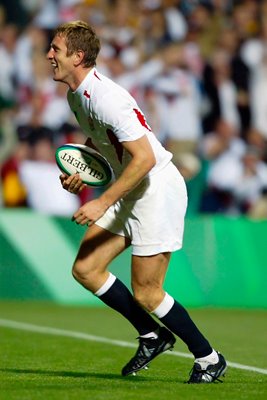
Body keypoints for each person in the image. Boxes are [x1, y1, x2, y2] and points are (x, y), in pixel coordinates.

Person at [46, 20, 227, 383]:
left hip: (155, 189)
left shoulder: (105, 97)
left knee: (147, 291)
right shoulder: (76, 95)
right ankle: (152, 335)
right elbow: (101, 137)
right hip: (132, 187)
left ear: (77, 56)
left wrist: (100, 202)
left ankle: (208, 358)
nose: (49, 54)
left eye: (55, 49)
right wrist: (82, 165)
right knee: (86, 269)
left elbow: (143, 158)